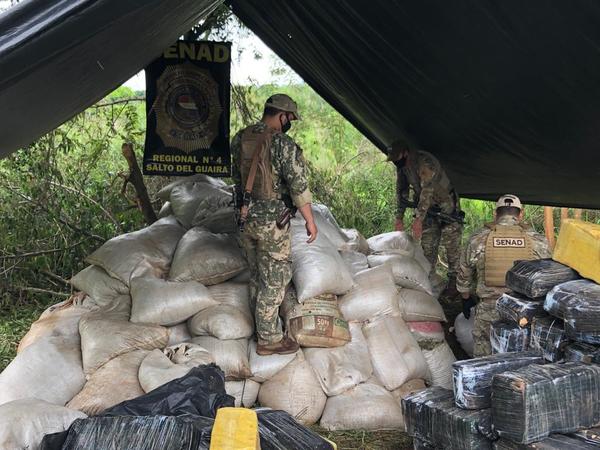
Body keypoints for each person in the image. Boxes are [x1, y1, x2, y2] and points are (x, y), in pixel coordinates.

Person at [231, 93, 317, 356]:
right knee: (275, 280)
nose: (289, 122)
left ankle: (260, 329)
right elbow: (298, 188)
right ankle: (269, 339)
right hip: (272, 225)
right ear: (280, 115)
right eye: (289, 118)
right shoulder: (283, 144)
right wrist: (311, 222)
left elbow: (236, 178)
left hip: (244, 218)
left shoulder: (239, 138)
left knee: (256, 277)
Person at [456, 194, 551, 357]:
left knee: (484, 359)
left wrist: (465, 298)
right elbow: (547, 276)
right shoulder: (537, 241)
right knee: (520, 356)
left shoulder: (478, 239)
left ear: (495, 213)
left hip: (489, 309)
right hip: (523, 312)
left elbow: (464, 273)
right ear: (521, 214)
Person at [388, 139, 463, 297]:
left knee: (452, 248)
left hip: (447, 207)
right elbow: (401, 193)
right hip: (428, 211)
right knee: (427, 247)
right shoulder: (403, 169)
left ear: (405, 153)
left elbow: (427, 191)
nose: (395, 161)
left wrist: (418, 219)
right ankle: (431, 282)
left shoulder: (424, 162)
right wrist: (399, 217)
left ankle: (455, 283)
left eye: (397, 157)